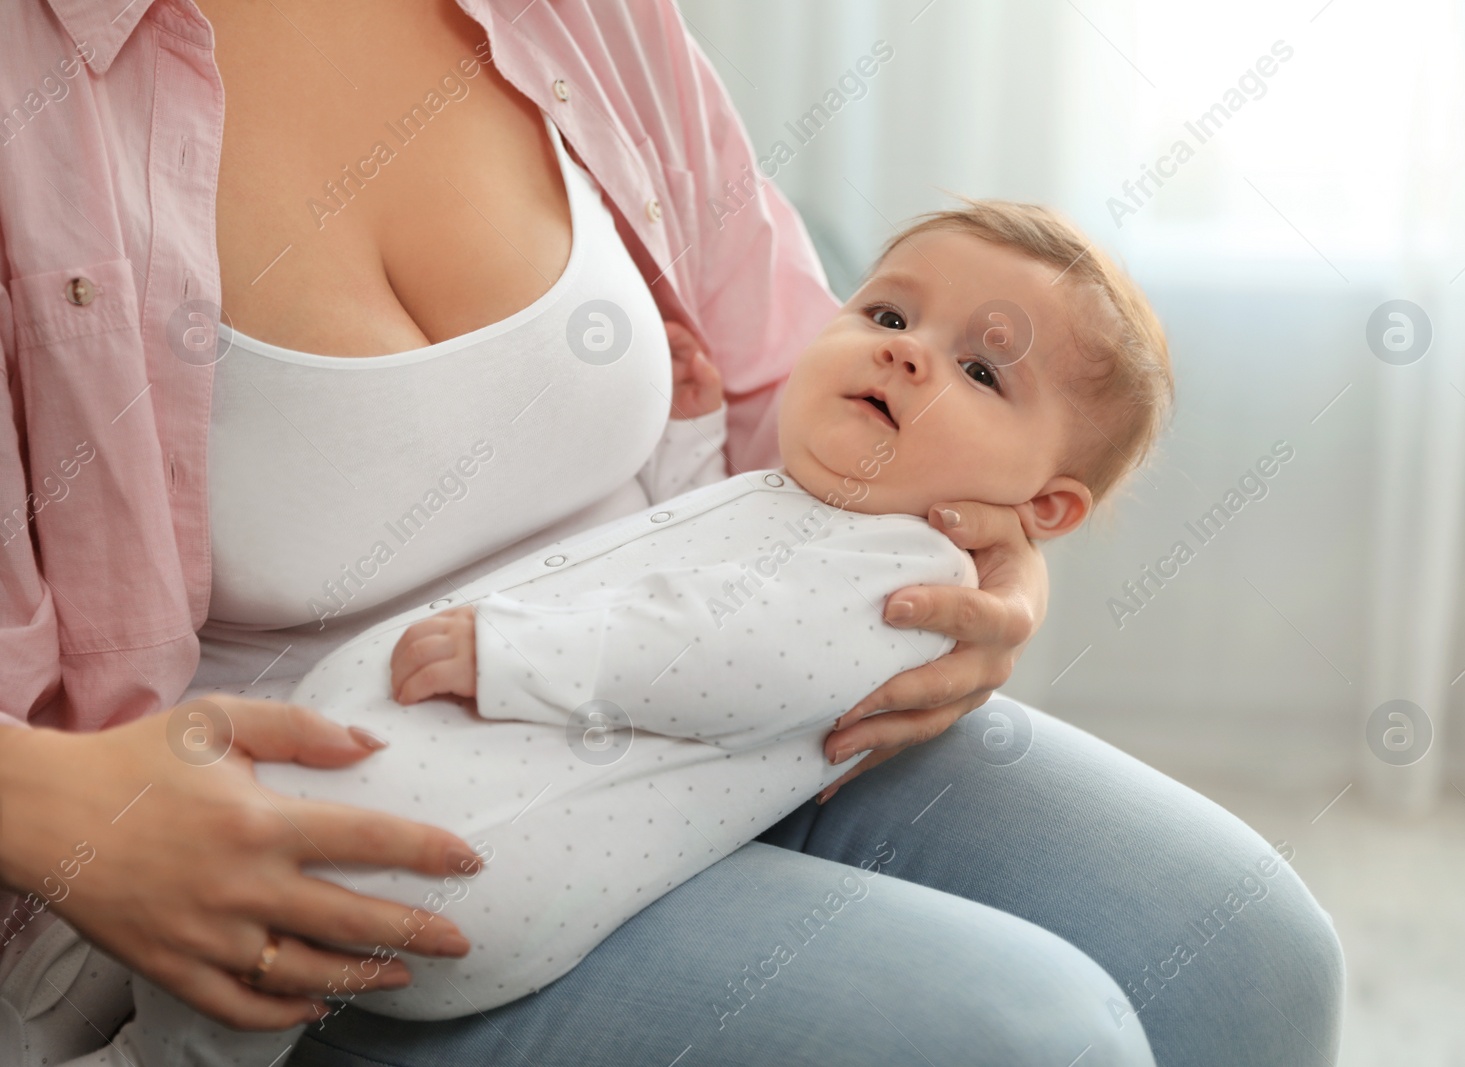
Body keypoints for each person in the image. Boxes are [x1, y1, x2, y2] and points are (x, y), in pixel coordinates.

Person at [0, 2, 1343, 1065]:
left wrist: (988, 556)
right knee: (1040, 1040)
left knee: (1250, 950)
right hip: (333, 820)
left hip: (739, 675)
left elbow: (793, 369)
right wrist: (58, 814)